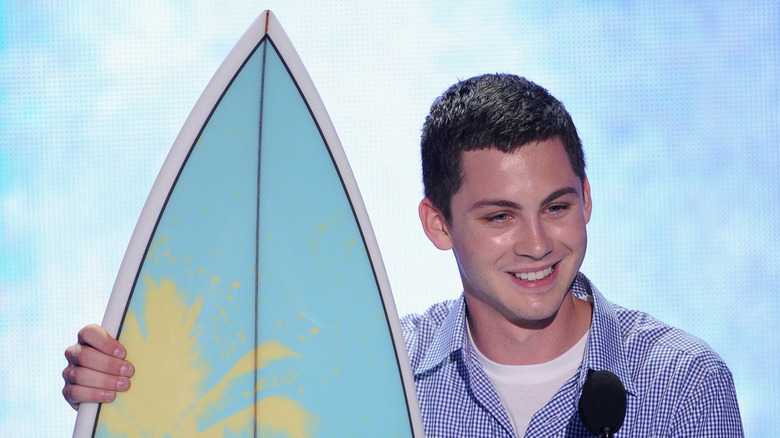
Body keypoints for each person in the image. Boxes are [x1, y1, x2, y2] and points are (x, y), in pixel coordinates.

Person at [63, 74, 743, 436]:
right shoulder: (375, 376)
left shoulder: (683, 385)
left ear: (587, 199)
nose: (538, 245)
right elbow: (223, 406)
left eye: (557, 207)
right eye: (499, 217)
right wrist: (123, 390)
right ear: (437, 224)